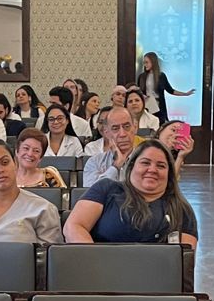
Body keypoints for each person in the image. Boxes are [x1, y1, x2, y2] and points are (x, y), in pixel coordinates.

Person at [64, 140, 198, 248]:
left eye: (161, 166)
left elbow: (185, 259)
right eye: (145, 163)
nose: (152, 169)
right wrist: (97, 262)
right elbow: (74, 226)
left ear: (169, 173)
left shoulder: (182, 209)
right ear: (132, 166)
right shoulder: (106, 189)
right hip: (100, 269)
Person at [82, 107, 139, 189]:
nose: (122, 134)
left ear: (135, 128)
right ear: (106, 132)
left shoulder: (147, 161)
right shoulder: (95, 162)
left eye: (127, 126)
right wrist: (115, 166)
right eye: (115, 129)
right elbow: (91, 193)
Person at [138, 51, 189, 118]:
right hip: (146, 106)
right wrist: (142, 96)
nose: (145, 65)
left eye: (147, 62)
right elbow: (139, 91)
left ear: (153, 62)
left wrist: (185, 94)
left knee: (160, 122)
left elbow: (170, 90)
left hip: (159, 105)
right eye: (144, 63)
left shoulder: (161, 76)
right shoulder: (142, 77)